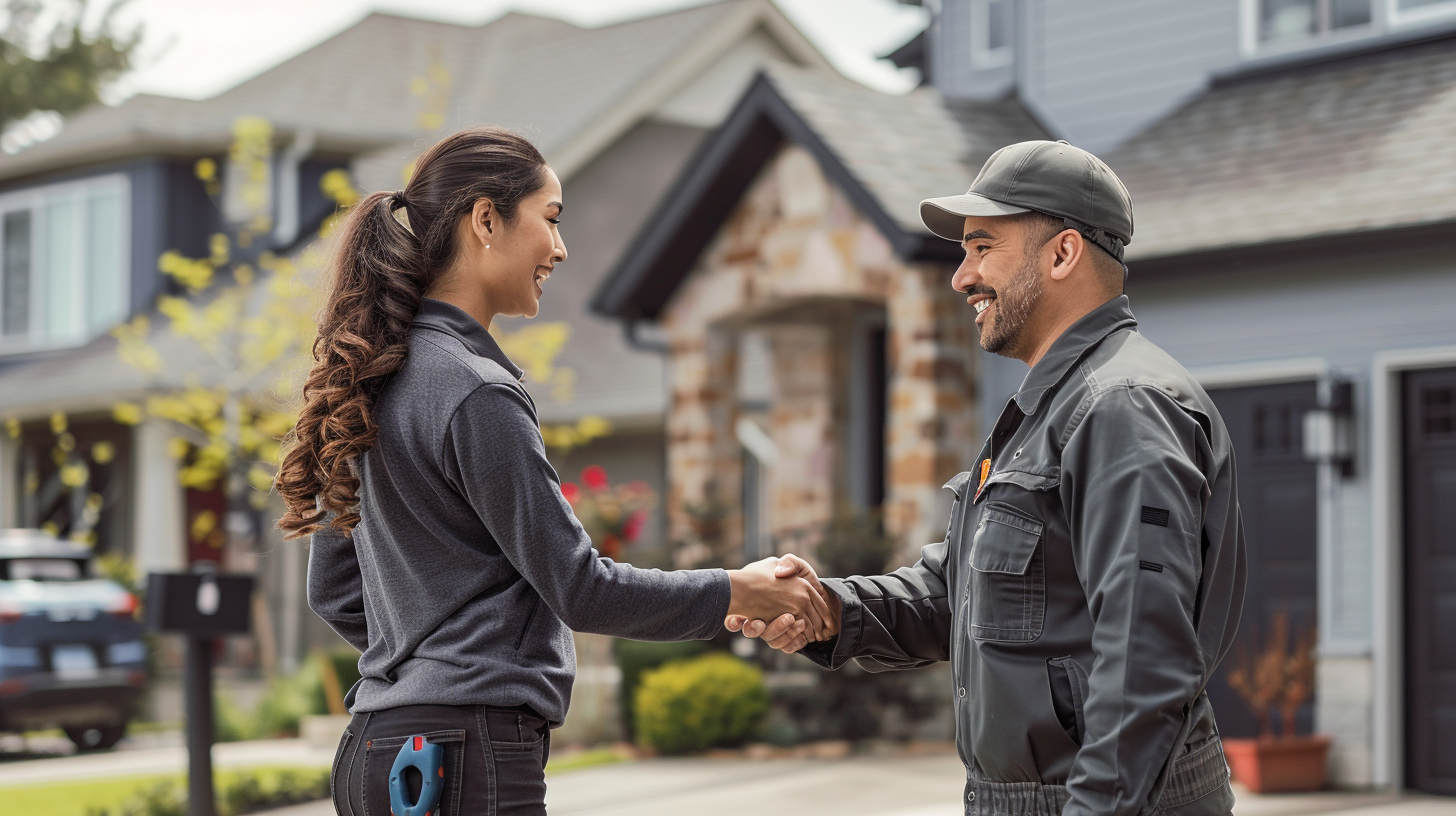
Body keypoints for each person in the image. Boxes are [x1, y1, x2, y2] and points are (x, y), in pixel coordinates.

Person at [274, 126, 830, 816]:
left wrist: (428, 661)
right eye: (551, 219)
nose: (560, 248)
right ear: (486, 219)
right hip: (462, 756)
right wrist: (739, 591)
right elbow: (581, 588)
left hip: (376, 755)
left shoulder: (368, 379)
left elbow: (333, 591)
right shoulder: (475, 389)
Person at [731, 140, 1247, 816]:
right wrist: (831, 610)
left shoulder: (1121, 406)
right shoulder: (1046, 411)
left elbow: (1144, 663)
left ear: (1062, 254)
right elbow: (962, 595)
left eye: (982, 247)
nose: (960, 275)